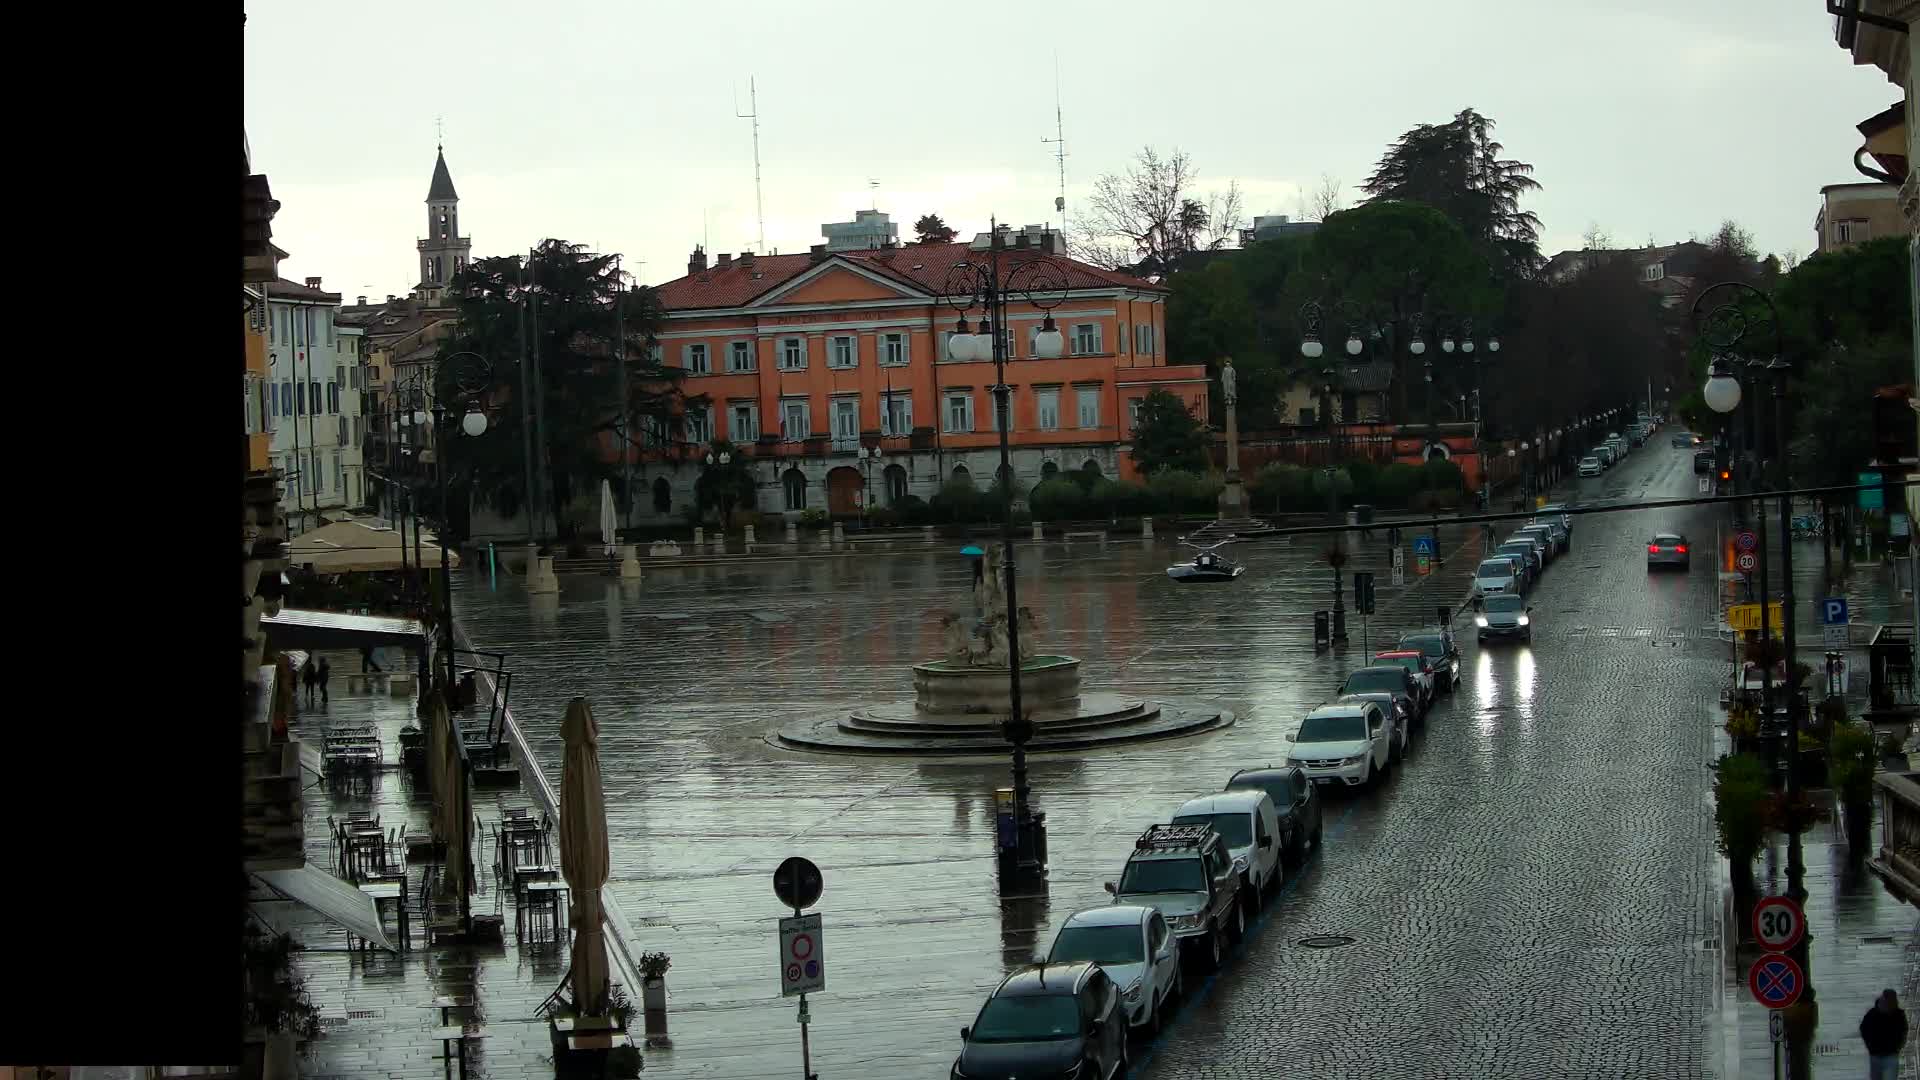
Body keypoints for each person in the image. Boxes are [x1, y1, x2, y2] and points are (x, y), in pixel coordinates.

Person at [1861, 989, 1907, 1080]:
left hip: (1890, 1054)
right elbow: (1864, 1029)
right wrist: (1870, 1046)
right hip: (1877, 1054)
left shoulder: (1898, 1015)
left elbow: (1903, 1031)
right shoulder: (1873, 1013)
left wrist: (1898, 1046)